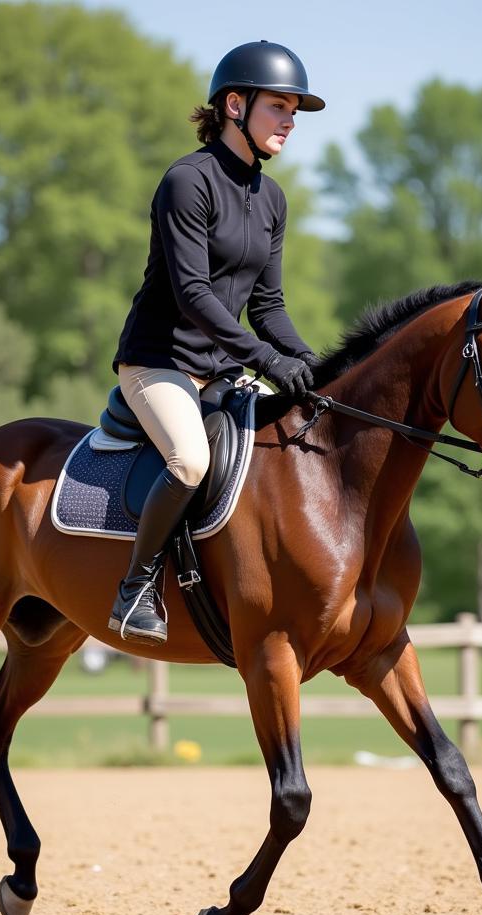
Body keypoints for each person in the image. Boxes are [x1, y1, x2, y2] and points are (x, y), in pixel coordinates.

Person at [108, 40, 325, 645]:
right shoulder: (188, 180)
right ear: (235, 104)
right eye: (278, 106)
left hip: (224, 369)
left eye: (294, 112)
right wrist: (266, 359)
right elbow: (193, 296)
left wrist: (313, 364)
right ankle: (135, 588)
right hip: (158, 364)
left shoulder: (272, 199)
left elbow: (269, 308)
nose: (289, 121)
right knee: (190, 461)